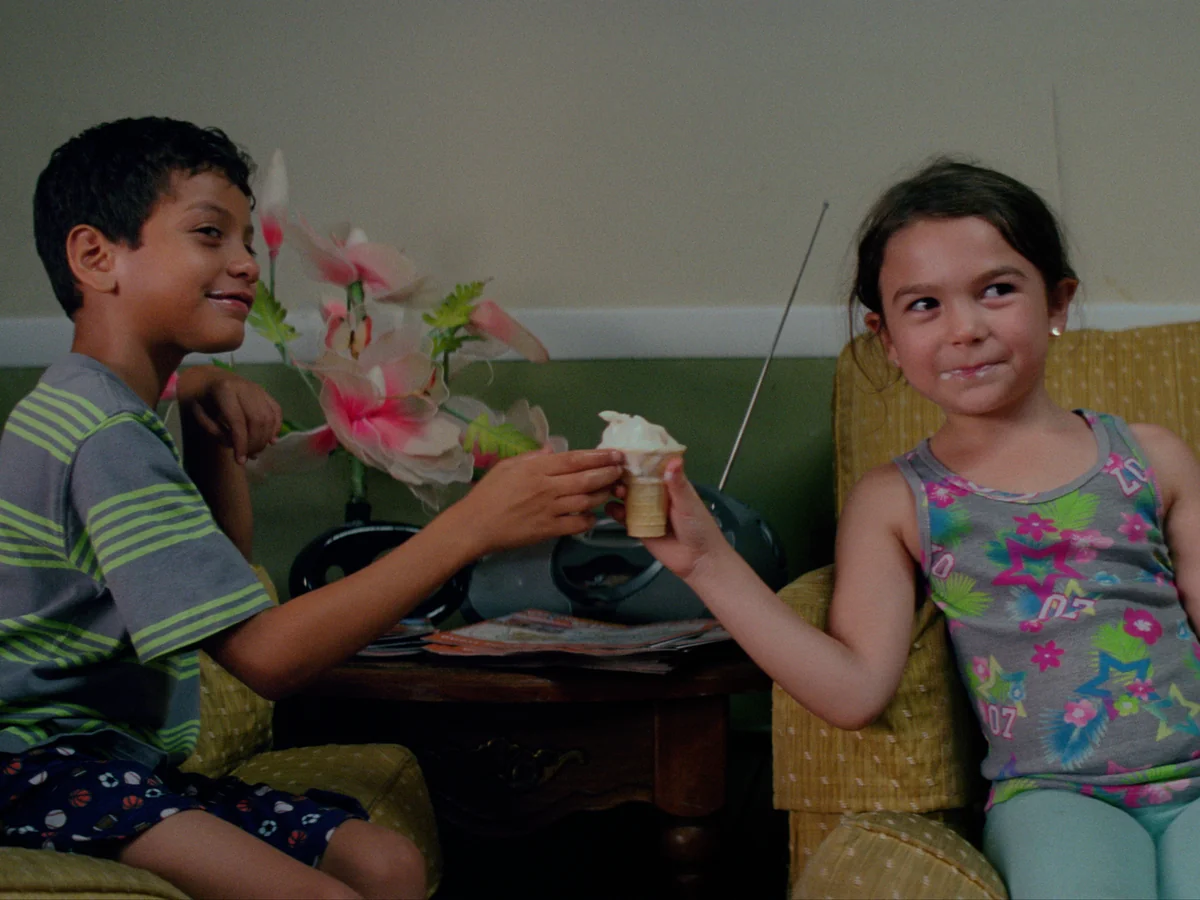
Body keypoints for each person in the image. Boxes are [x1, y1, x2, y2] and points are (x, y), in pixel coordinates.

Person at [0, 116, 623, 899]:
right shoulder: (105, 434)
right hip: (33, 769)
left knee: (385, 862)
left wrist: (201, 410)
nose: (245, 263)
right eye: (209, 233)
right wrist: (471, 526)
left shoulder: (105, 406)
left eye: (246, 241)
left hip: (106, 765)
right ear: (96, 257)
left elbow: (222, 576)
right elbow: (266, 660)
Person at [621, 158, 1200, 899]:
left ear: (1057, 301)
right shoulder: (896, 500)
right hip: (1055, 796)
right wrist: (706, 562)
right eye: (924, 305)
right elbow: (854, 690)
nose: (966, 329)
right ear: (887, 337)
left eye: (996, 290)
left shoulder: (1152, 458)